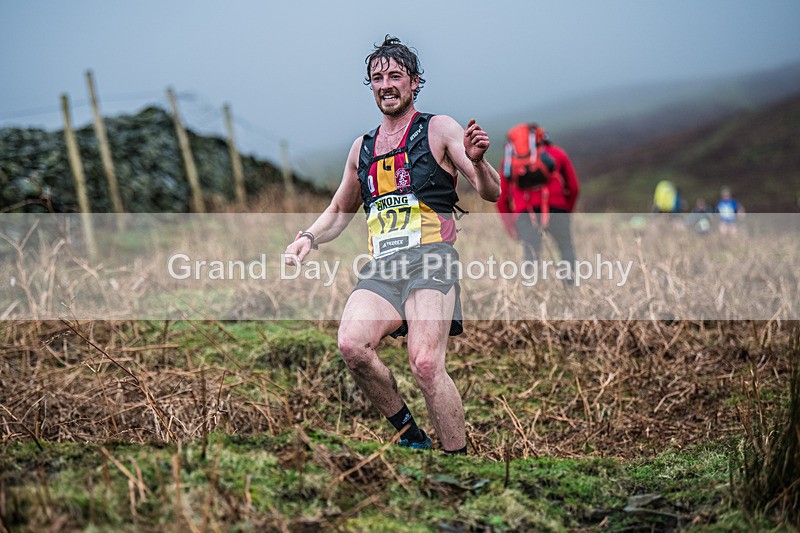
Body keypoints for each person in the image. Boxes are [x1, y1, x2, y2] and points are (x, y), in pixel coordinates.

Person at [283, 36, 500, 454]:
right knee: (351, 345)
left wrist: (477, 161)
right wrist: (308, 237)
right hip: (385, 267)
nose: (386, 84)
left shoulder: (439, 128)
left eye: (395, 75)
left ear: (414, 82)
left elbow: (491, 192)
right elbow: (339, 210)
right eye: (377, 77)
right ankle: (410, 436)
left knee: (424, 363)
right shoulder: (361, 148)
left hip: (431, 261)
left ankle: (460, 464)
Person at [496, 123, 579, 273]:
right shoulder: (556, 153)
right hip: (557, 208)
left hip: (525, 213)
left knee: (531, 256)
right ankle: (572, 287)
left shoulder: (509, 163)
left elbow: (502, 200)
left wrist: (512, 228)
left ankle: (531, 291)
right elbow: (573, 188)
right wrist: (566, 212)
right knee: (565, 247)